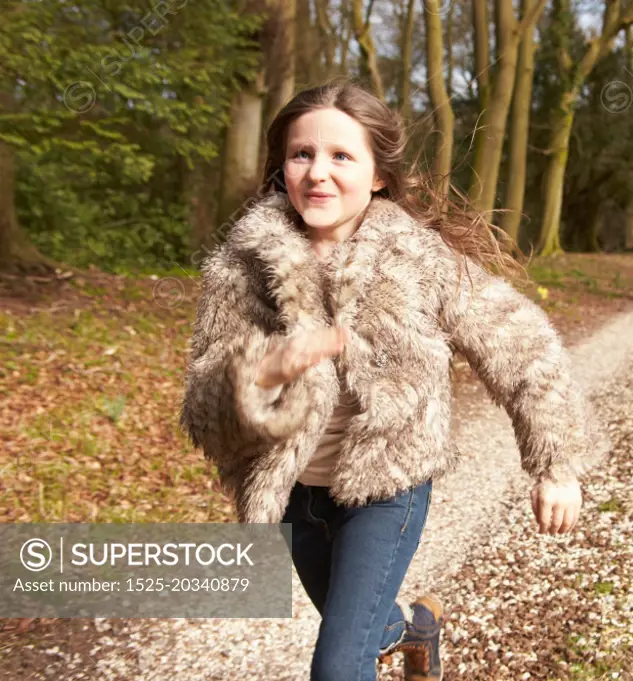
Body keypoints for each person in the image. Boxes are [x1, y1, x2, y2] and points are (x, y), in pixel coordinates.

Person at [179, 81, 604, 681]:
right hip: (290, 495)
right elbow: (202, 409)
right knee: (368, 626)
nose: (317, 173)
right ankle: (417, 632)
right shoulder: (242, 265)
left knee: (338, 666)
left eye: (341, 156)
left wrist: (556, 464)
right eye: (301, 155)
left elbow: (525, 346)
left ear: (378, 175)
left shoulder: (419, 260)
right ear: (281, 167)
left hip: (387, 488)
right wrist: (260, 370)